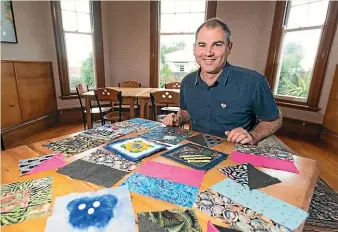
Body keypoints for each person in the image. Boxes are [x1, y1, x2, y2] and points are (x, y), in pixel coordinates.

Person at [163, 18, 282, 145]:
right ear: (194, 48)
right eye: (202, 45)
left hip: (236, 154)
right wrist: (178, 119)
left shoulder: (254, 82)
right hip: (196, 150)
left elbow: (275, 119)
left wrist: (252, 136)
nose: (208, 53)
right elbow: (186, 111)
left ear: (229, 47)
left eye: (217, 44)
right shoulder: (187, 82)